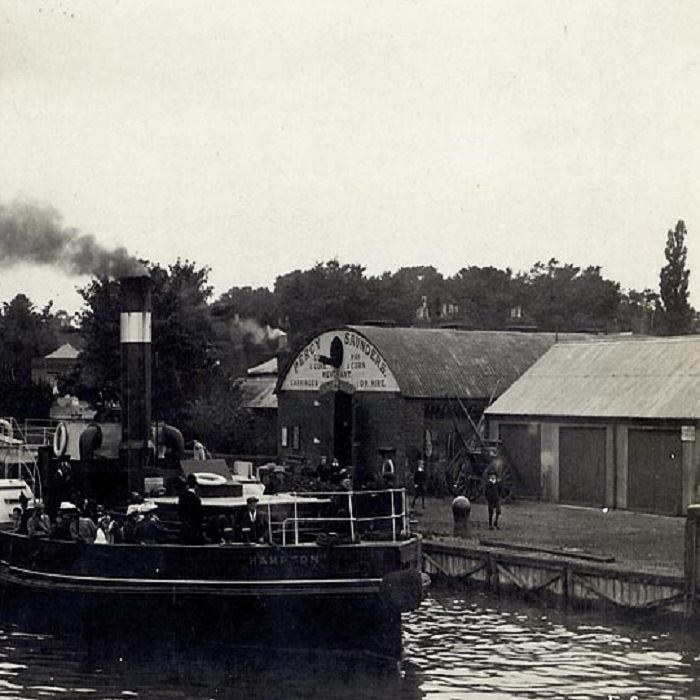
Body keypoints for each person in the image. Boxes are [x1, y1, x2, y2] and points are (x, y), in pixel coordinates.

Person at [178, 473, 203, 544]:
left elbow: (180, 511)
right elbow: (199, 514)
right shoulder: (196, 499)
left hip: (184, 526)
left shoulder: (182, 498)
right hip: (194, 528)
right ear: (196, 486)